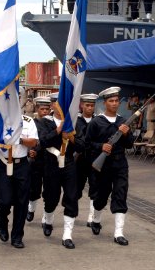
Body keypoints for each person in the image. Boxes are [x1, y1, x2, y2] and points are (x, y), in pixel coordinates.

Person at [86, 87, 135, 246]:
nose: (114, 104)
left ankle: (119, 233)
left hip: (120, 163)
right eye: (111, 101)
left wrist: (126, 133)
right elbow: (87, 144)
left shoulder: (123, 121)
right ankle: (96, 219)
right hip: (103, 165)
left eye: (116, 101)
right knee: (101, 196)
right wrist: (101, 147)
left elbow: (129, 145)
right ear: (105, 103)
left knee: (120, 194)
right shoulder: (96, 122)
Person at [37, 92, 83, 249]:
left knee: (71, 197)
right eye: (57, 103)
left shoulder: (74, 122)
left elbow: (82, 146)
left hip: (69, 162)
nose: (60, 106)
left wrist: (71, 137)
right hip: (51, 162)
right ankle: (48, 219)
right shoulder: (44, 122)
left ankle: (67, 235)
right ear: (52, 105)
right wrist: (58, 131)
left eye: (63, 103)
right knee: (51, 197)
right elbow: (42, 141)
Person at [0, 113, 38, 249]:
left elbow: (33, 142)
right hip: (3, 163)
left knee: (22, 202)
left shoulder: (28, 120)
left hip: (21, 164)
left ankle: (17, 236)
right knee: (5, 201)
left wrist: (18, 139)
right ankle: (2, 221)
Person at [26, 96, 51, 223]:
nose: (45, 111)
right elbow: (26, 139)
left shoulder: (52, 124)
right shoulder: (31, 123)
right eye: (42, 109)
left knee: (49, 190)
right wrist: (29, 152)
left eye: (47, 109)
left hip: (49, 160)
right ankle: (31, 209)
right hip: (35, 161)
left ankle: (46, 217)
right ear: (37, 109)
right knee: (34, 188)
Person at [75, 93, 99, 227]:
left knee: (95, 187)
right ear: (81, 105)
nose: (90, 108)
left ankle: (92, 216)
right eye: (87, 105)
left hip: (95, 159)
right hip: (79, 159)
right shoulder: (76, 120)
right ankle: (73, 212)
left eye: (92, 105)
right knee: (77, 188)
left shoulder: (98, 120)